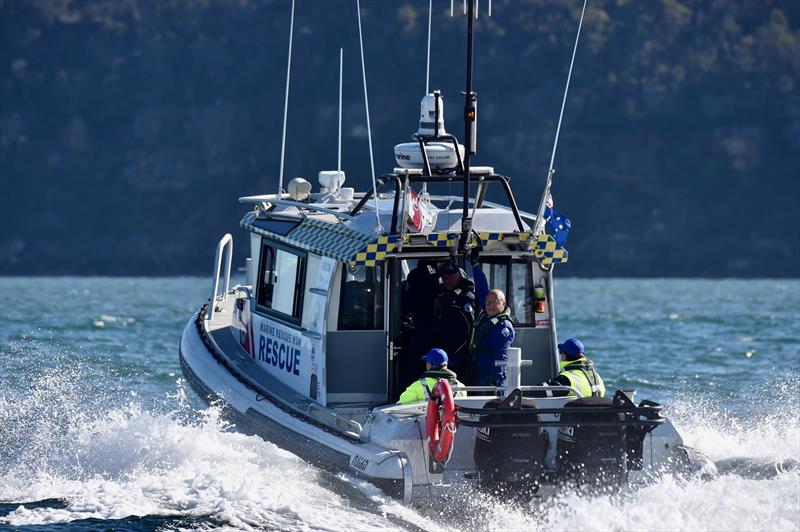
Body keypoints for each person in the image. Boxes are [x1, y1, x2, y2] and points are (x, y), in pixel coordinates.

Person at [430, 262, 476, 379]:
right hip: (445, 349)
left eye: (451, 277)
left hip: (458, 353)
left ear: (459, 277)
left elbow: (470, 327)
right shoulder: (443, 296)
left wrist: (458, 351)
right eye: (444, 278)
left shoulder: (465, 298)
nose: (447, 280)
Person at [469, 286, 515, 388]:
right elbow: (481, 288)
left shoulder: (503, 327)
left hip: (491, 380)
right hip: (479, 375)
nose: (491, 306)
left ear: (503, 304)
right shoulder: (485, 320)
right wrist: (476, 269)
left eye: (496, 303)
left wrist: (494, 381)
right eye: (489, 303)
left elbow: (501, 356)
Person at [540, 338, 605, 398]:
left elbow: (541, 391)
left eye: (561, 352)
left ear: (565, 356)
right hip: (597, 409)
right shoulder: (597, 376)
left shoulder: (567, 378)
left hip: (579, 410)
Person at [397, 348, 465, 404]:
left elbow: (398, 407)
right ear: (446, 365)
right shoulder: (461, 386)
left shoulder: (417, 386)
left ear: (429, 364)